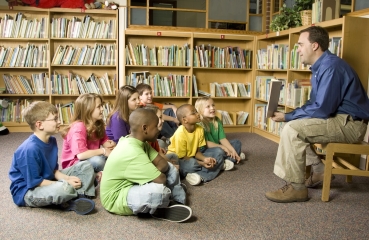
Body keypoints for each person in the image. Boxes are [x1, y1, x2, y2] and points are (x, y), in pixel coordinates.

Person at [265, 26, 369, 203]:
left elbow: (322, 109)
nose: (297, 50)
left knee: (293, 129)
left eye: (300, 45)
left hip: (351, 124)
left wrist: (288, 117)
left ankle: (297, 188)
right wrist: (289, 114)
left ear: (314, 46)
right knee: (295, 125)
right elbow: (314, 104)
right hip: (339, 119)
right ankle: (318, 168)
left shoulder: (331, 67)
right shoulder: (320, 68)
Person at [100, 108, 192, 223]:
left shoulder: (140, 142)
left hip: (131, 184)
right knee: (159, 191)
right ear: (145, 128)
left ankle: (176, 199)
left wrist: (150, 172)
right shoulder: (131, 150)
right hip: (116, 198)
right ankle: (160, 207)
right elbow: (161, 179)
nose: (159, 129)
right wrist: (155, 174)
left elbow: (163, 164)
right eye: (155, 126)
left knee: (171, 168)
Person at [9, 101, 96, 215]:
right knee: (64, 189)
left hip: (47, 179)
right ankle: (71, 197)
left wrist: (66, 178)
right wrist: (66, 183)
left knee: (86, 166)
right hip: (28, 191)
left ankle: (75, 196)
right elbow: (35, 182)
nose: (59, 121)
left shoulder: (52, 140)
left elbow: (53, 171)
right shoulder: (29, 150)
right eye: (55, 119)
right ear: (39, 125)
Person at [167, 104, 233, 186]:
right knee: (192, 164)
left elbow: (197, 152)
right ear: (185, 120)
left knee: (219, 151)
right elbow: (183, 157)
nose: (198, 114)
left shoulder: (200, 129)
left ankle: (196, 174)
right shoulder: (180, 134)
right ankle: (215, 168)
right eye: (193, 113)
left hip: (192, 156)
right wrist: (202, 163)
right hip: (179, 160)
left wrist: (205, 159)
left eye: (196, 111)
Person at [60, 93, 116, 173]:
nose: (102, 109)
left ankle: (98, 175)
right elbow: (81, 155)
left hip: (91, 156)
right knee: (98, 161)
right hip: (74, 165)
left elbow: (105, 142)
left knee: (115, 156)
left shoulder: (97, 123)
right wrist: (103, 151)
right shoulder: (78, 127)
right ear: (88, 109)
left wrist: (112, 146)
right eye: (98, 107)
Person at [195, 96, 245, 164]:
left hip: (217, 146)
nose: (212, 108)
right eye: (208, 106)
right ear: (200, 110)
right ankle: (229, 159)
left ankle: (228, 159)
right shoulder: (199, 124)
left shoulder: (217, 120)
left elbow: (222, 139)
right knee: (219, 151)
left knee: (237, 143)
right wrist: (223, 147)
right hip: (206, 150)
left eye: (213, 105)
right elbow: (206, 144)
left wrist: (233, 151)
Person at [142, 104, 180, 169]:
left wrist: (170, 162)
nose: (163, 120)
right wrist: (171, 166)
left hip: (157, 161)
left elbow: (160, 153)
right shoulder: (145, 140)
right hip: (149, 167)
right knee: (172, 170)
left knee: (174, 157)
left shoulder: (154, 138)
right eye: (160, 118)